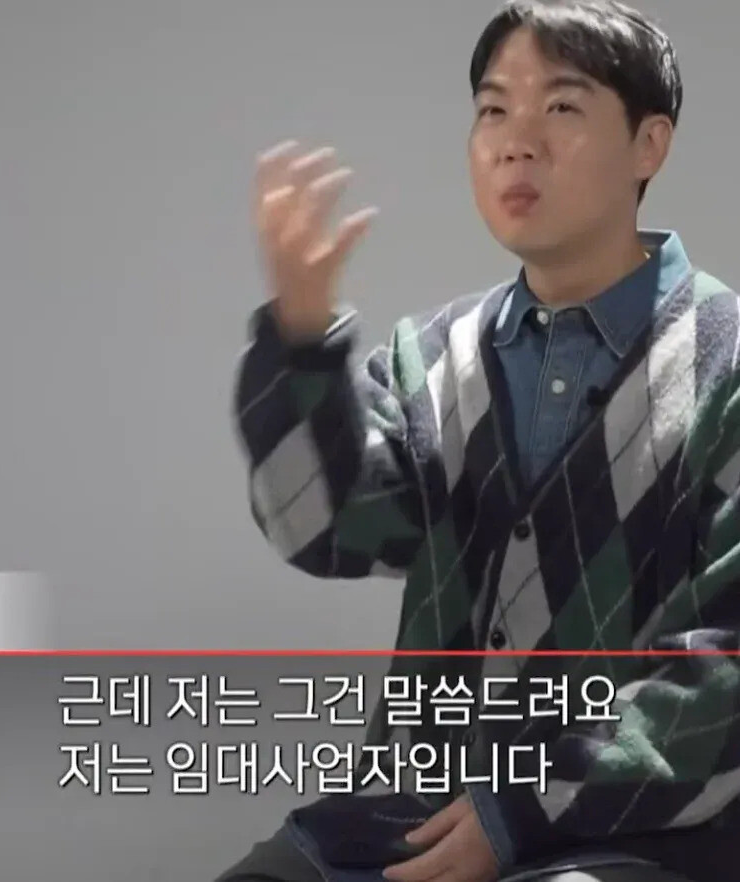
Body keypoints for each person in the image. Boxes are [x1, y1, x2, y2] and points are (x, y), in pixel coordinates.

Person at [227, 2, 740, 881]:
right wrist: (302, 341)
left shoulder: (723, 363)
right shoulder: (429, 356)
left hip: (637, 836)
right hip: (411, 818)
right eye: (494, 109)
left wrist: (523, 810)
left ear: (648, 145)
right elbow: (319, 527)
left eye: (562, 107)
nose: (516, 142)